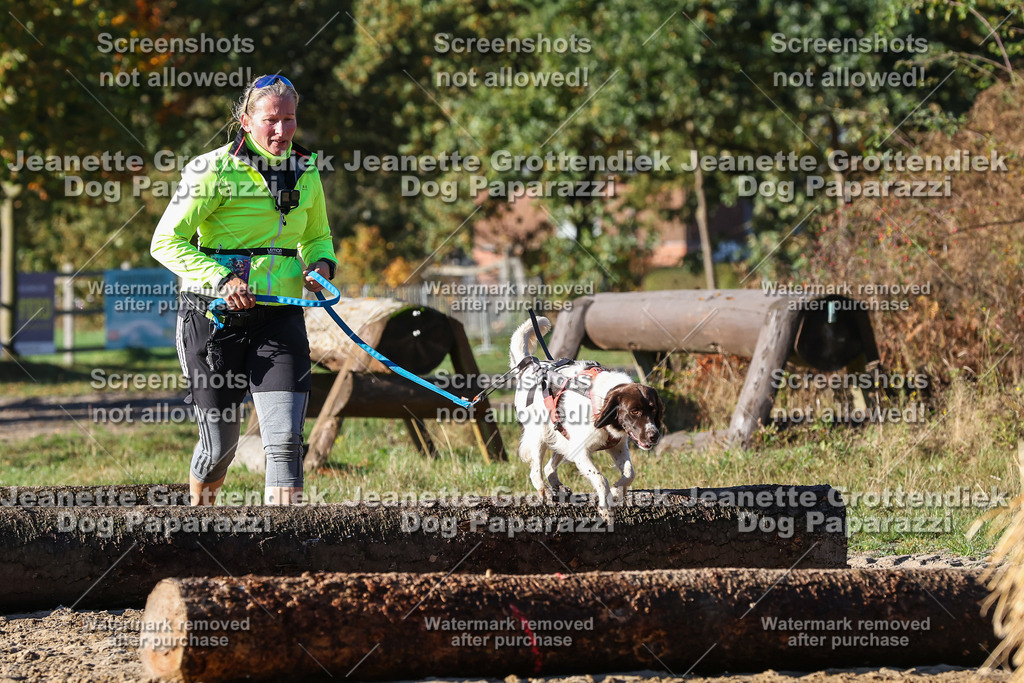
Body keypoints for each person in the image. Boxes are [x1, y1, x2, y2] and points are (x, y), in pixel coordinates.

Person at [151, 75, 336, 506]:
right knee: (219, 449)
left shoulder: (306, 170)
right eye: (271, 119)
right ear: (246, 121)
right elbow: (165, 242)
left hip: (279, 319)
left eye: (289, 119)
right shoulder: (211, 169)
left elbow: (317, 236)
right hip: (213, 319)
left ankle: (284, 541)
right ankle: (200, 523)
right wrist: (222, 279)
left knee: (286, 442)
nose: (282, 130)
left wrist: (321, 266)